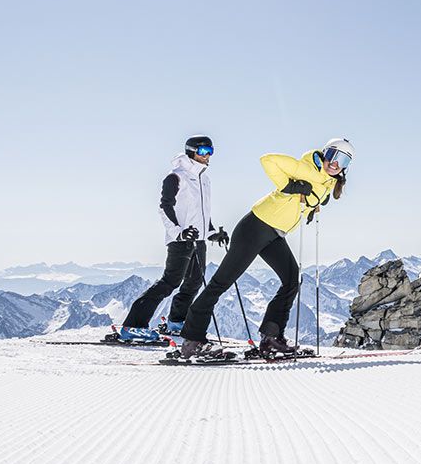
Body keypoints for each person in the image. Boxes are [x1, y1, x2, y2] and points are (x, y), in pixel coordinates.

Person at [178, 138, 352, 359]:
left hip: (275, 234)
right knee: (222, 281)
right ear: (325, 153)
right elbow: (268, 160)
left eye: (343, 159)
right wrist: (289, 186)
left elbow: (306, 197)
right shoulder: (308, 167)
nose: (336, 163)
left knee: (292, 279)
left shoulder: (328, 181)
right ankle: (193, 341)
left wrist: (311, 207)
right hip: (255, 227)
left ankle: (271, 338)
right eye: (333, 155)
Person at [117, 135, 230, 343]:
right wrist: (179, 232)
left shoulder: (204, 178)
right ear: (191, 151)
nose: (208, 156)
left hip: (199, 240)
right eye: (203, 151)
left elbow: (201, 212)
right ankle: (133, 326)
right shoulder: (176, 177)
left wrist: (212, 232)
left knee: (194, 282)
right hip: (181, 239)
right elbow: (165, 207)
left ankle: (176, 323)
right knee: (170, 282)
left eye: (210, 151)